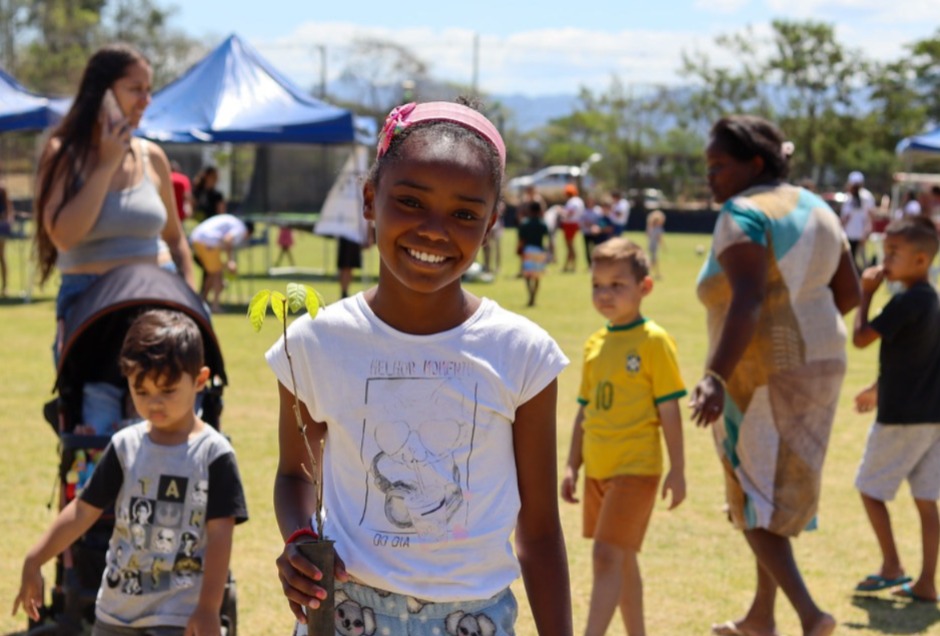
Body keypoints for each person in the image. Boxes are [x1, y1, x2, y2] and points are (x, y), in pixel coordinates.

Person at [266, 99, 572, 636]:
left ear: (492, 222)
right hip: (346, 615)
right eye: (409, 201)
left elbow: (541, 530)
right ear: (369, 200)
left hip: (474, 618)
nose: (434, 232)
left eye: (464, 214)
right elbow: (296, 475)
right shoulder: (315, 343)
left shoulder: (521, 352)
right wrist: (296, 539)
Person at [691, 115, 860, 636]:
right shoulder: (817, 208)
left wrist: (715, 376)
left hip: (760, 371)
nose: (711, 177)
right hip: (823, 361)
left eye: (720, 165)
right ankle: (761, 617)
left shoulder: (740, 214)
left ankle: (811, 616)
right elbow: (849, 293)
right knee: (770, 491)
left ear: (755, 164)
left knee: (749, 492)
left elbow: (749, 297)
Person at [13, 309, 248, 635]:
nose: (154, 404)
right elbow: (83, 510)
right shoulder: (125, 446)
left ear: (199, 381)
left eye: (167, 391)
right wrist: (34, 558)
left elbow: (221, 535)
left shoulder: (214, 454)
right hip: (116, 614)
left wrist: (208, 608)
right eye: (142, 391)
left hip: (178, 615)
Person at [561, 238, 686, 636]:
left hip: (636, 469)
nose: (605, 294)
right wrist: (571, 464)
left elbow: (669, 409)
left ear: (644, 288)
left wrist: (679, 469)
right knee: (623, 559)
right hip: (598, 468)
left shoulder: (654, 341)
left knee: (605, 555)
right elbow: (585, 408)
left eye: (617, 285)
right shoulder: (594, 344)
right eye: (597, 285)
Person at [32, 43, 195, 348]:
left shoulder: (153, 156)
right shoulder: (62, 154)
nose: (146, 100)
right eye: (136, 89)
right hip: (93, 308)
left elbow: (175, 239)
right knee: (95, 397)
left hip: (161, 297)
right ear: (103, 93)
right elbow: (64, 237)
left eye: (149, 90)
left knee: (182, 395)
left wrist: (191, 298)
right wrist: (106, 164)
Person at [851, 215, 940, 603]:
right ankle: (926, 582)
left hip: (902, 417)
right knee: (926, 500)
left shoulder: (905, 301)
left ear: (921, 260)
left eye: (893, 254)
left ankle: (892, 566)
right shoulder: (932, 298)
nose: (884, 261)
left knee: (870, 490)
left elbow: (860, 339)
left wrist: (866, 293)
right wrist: (877, 385)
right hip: (932, 417)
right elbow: (918, 358)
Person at [189, 213, 252, 313]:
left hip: (198, 238)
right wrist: (231, 261)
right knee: (217, 274)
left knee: (212, 274)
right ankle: (215, 306)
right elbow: (228, 240)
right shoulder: (241, 228)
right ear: (249, 232)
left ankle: (201, 303)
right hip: (208, 241)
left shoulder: (234, 222)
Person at [517, 199, 553, 307]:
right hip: (539, 250)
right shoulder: (543, 224)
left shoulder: (524, 223)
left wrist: (519, 250)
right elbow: (548, 239)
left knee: (527, 276)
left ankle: (530, 295)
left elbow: (521, 240)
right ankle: (534, 297)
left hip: (528, 250)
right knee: (537, 276)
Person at [841, 170, 876, 272]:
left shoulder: (850, 197)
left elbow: (846, 218)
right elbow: (871, 215)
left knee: (853, 259)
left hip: (852, 233)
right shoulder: (866, 196)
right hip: (859, 233)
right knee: (857, 259)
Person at [560, 183, 584, 272]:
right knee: (570, 246)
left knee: (570, 246)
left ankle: (572, 266)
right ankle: (567, 266)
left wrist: (561, 211)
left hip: (570, 224)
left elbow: (570, 213)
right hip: (573, 224)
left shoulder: (573, 201)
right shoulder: (578, 200)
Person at [0, 178, 14, 297]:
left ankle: (4, 287)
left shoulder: (2, 189)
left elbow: (8, 210)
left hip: (1, 228)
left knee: (1, 257)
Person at [645, 209, 666, 280]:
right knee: (654, 260)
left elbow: (647, 235)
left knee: (655, 260)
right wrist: (664, 246)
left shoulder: (650, 227)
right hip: (654, 246)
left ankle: (656, 273)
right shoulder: (658, 228)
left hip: (650, 245)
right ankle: (648, 272)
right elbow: (659, 238)